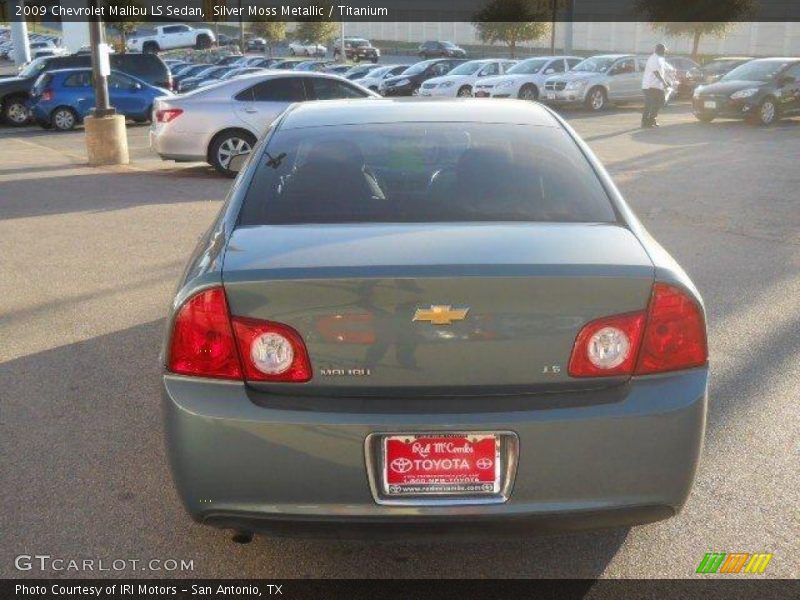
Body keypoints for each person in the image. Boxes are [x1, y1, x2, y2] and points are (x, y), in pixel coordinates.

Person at [642, 43, 668, 128]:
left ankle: (651, 120)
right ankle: (647, 122)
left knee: (660, 102)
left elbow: (661, 72)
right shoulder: (653, 59)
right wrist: (664, 82)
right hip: (650, 86)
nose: (665, 52)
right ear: (659, 50)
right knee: (651, 104)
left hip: (656, 86)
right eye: (664, 51)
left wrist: (666, 80)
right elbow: (656, 72)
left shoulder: (659, 59)